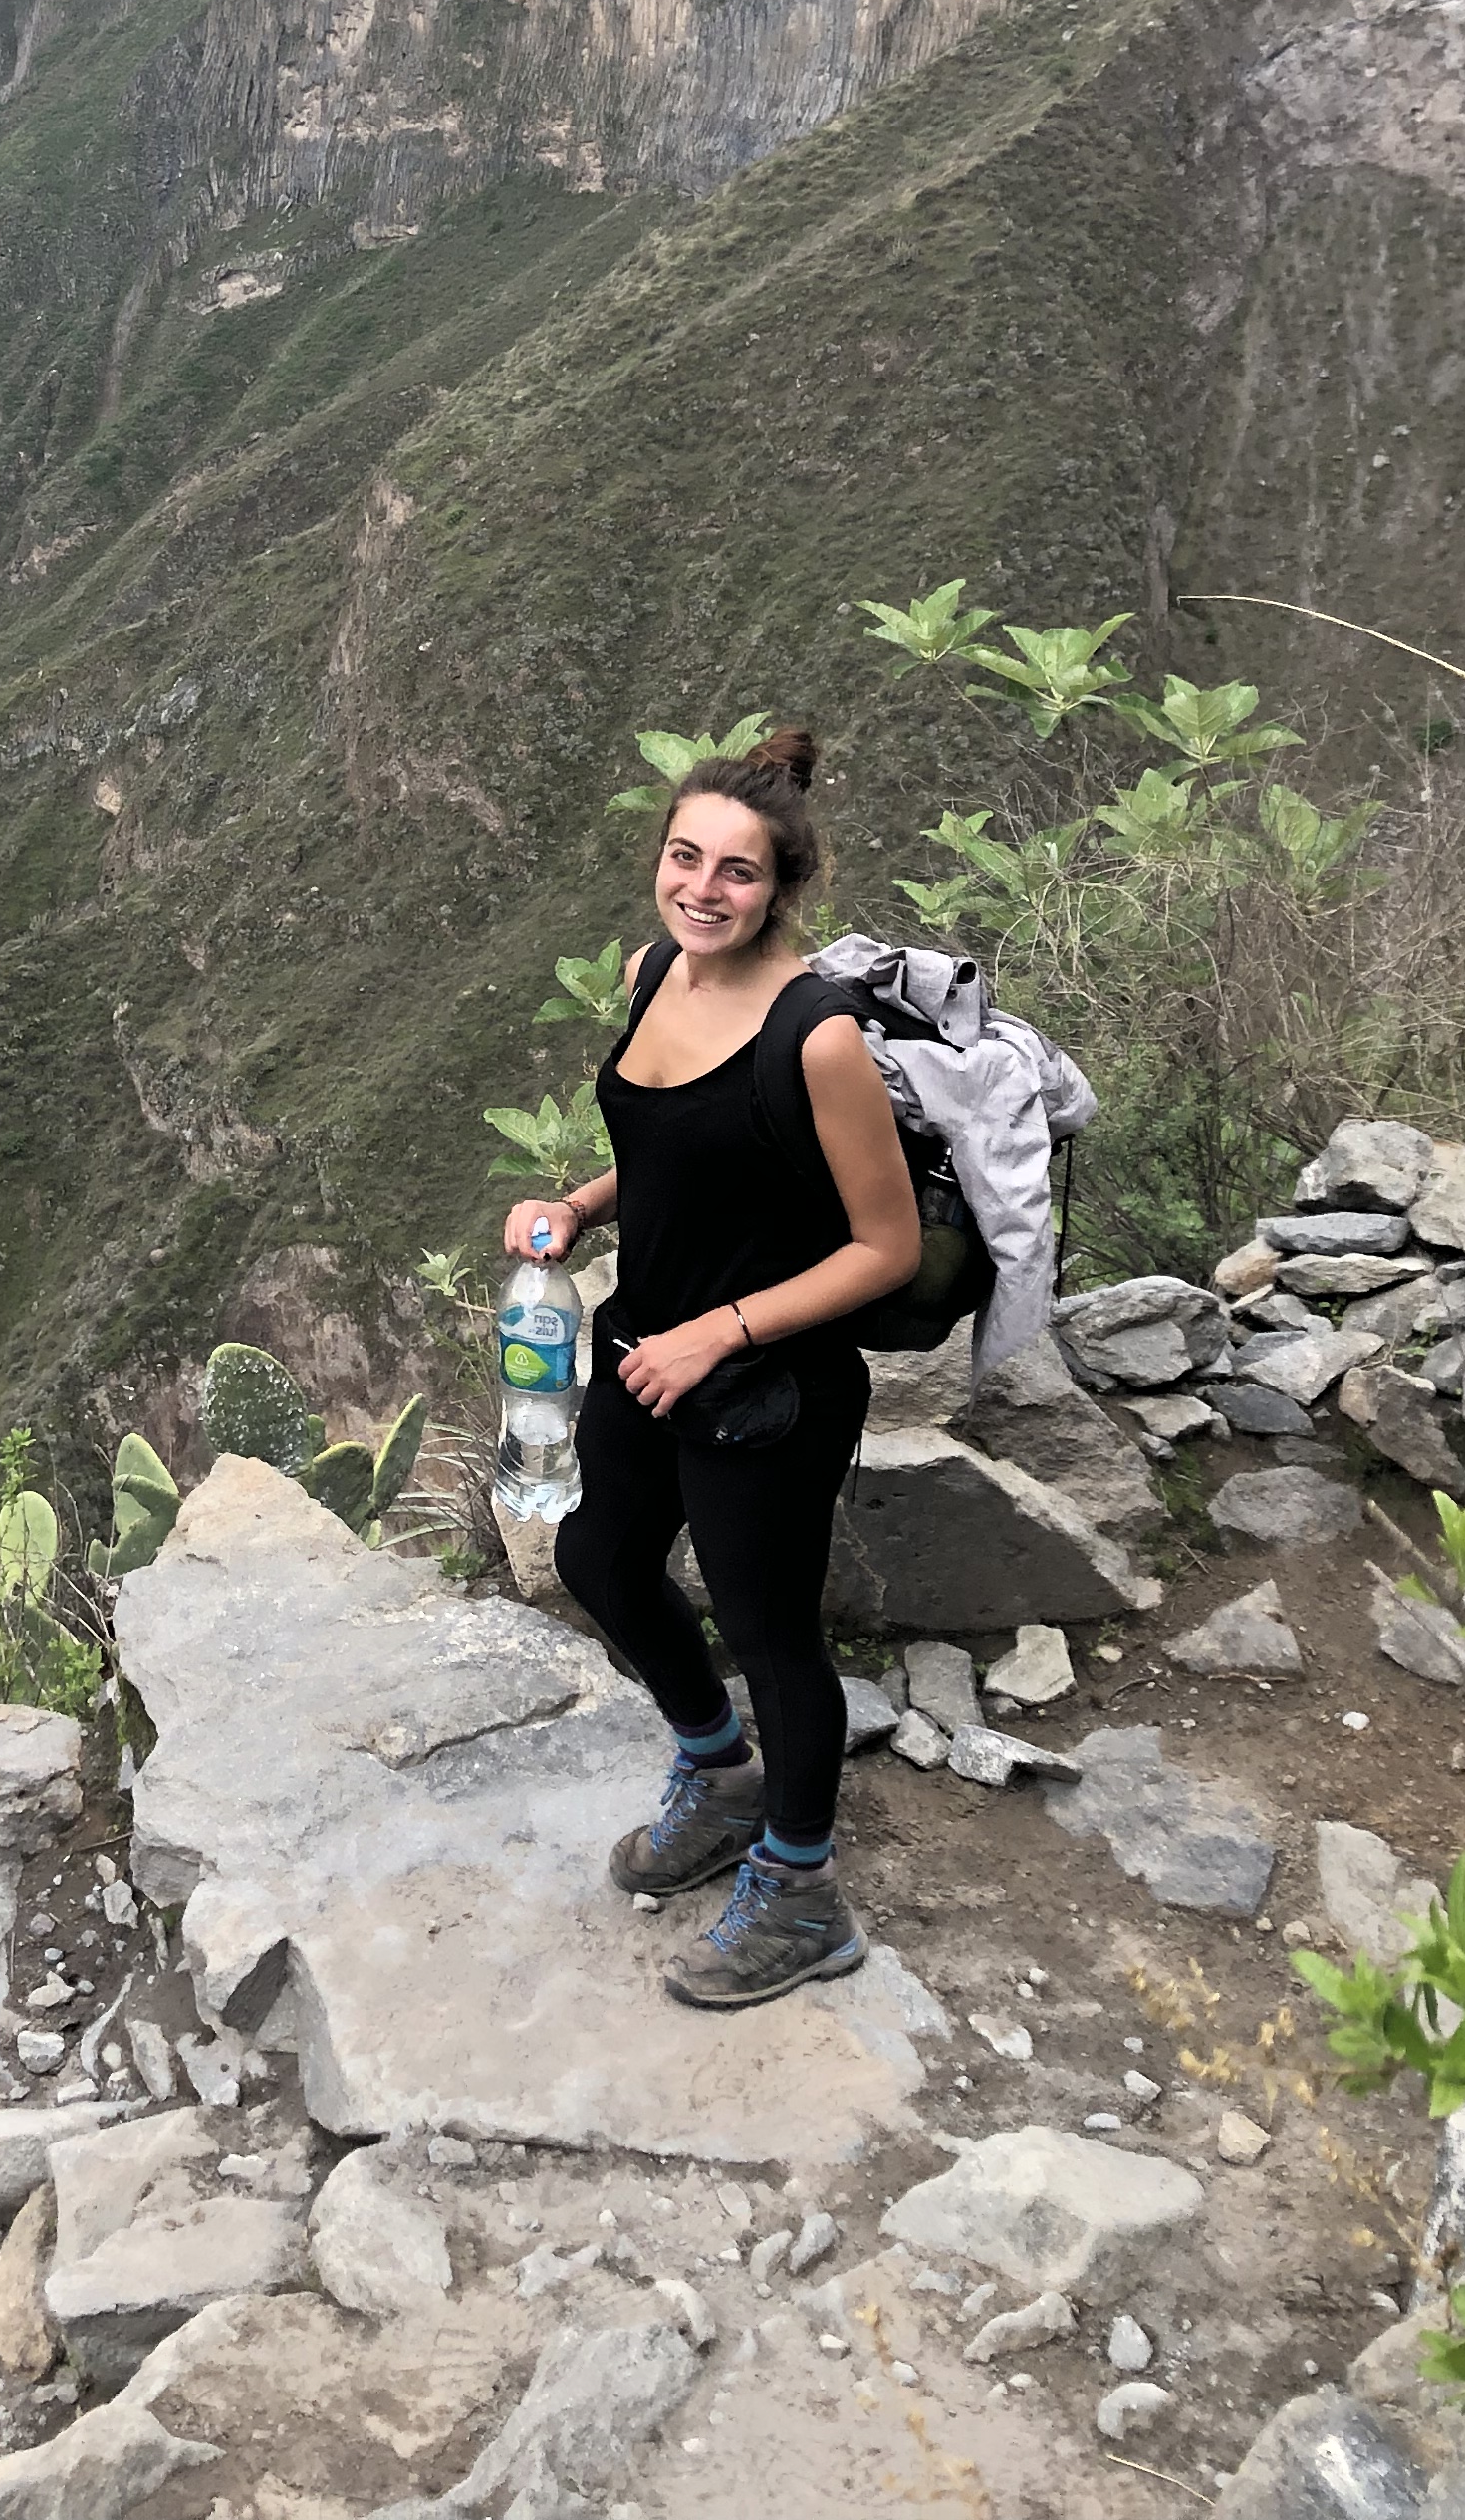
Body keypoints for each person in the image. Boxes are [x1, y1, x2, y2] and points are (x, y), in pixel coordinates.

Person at [500, 727, 921, 2010]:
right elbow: (674, 1146)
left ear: (782, 886)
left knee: (769, 1631)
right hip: (647, 1342)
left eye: (737, 870)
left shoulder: (818, 1036)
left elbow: (888, 1248)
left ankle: (803, 1889)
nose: (702, 888)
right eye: (685, 857)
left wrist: (722, 1331)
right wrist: (579, 1206)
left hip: (769, 1383)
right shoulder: (652, 977)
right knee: (599, 1558)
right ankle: (721, 1771)